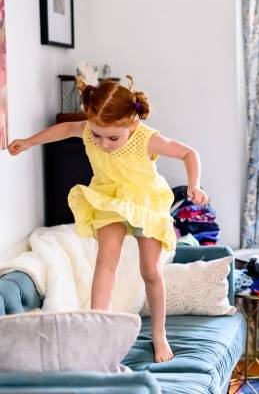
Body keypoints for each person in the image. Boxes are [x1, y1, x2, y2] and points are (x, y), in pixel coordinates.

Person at [8, 75, 208, 363]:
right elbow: (65, 128)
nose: (102, 143)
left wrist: (195, 184)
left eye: (112, 137)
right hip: (109, 198)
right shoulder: (90, 129)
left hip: (143, 201)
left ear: (133, 123)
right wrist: (29, 141)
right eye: (97, 135)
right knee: (106, 260)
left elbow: (189, 153)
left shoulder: (147, 138)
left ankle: (159, 334)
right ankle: (95, 328)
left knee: (150, 270)